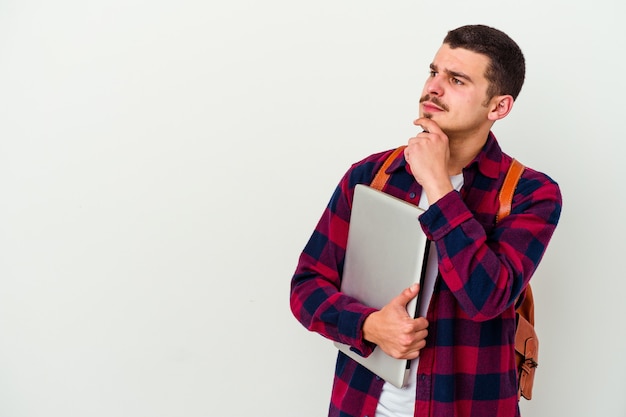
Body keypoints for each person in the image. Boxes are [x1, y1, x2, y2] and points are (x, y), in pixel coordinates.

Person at [290, 24, 562, 417]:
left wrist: (437, 185)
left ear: (498, 107)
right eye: (434, 72)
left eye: (456, 79)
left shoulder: (529, 193)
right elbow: (306, 287)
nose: (434, 87)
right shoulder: (371, 175)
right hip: (361, 406)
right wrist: (368, 326)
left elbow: (486, 298)